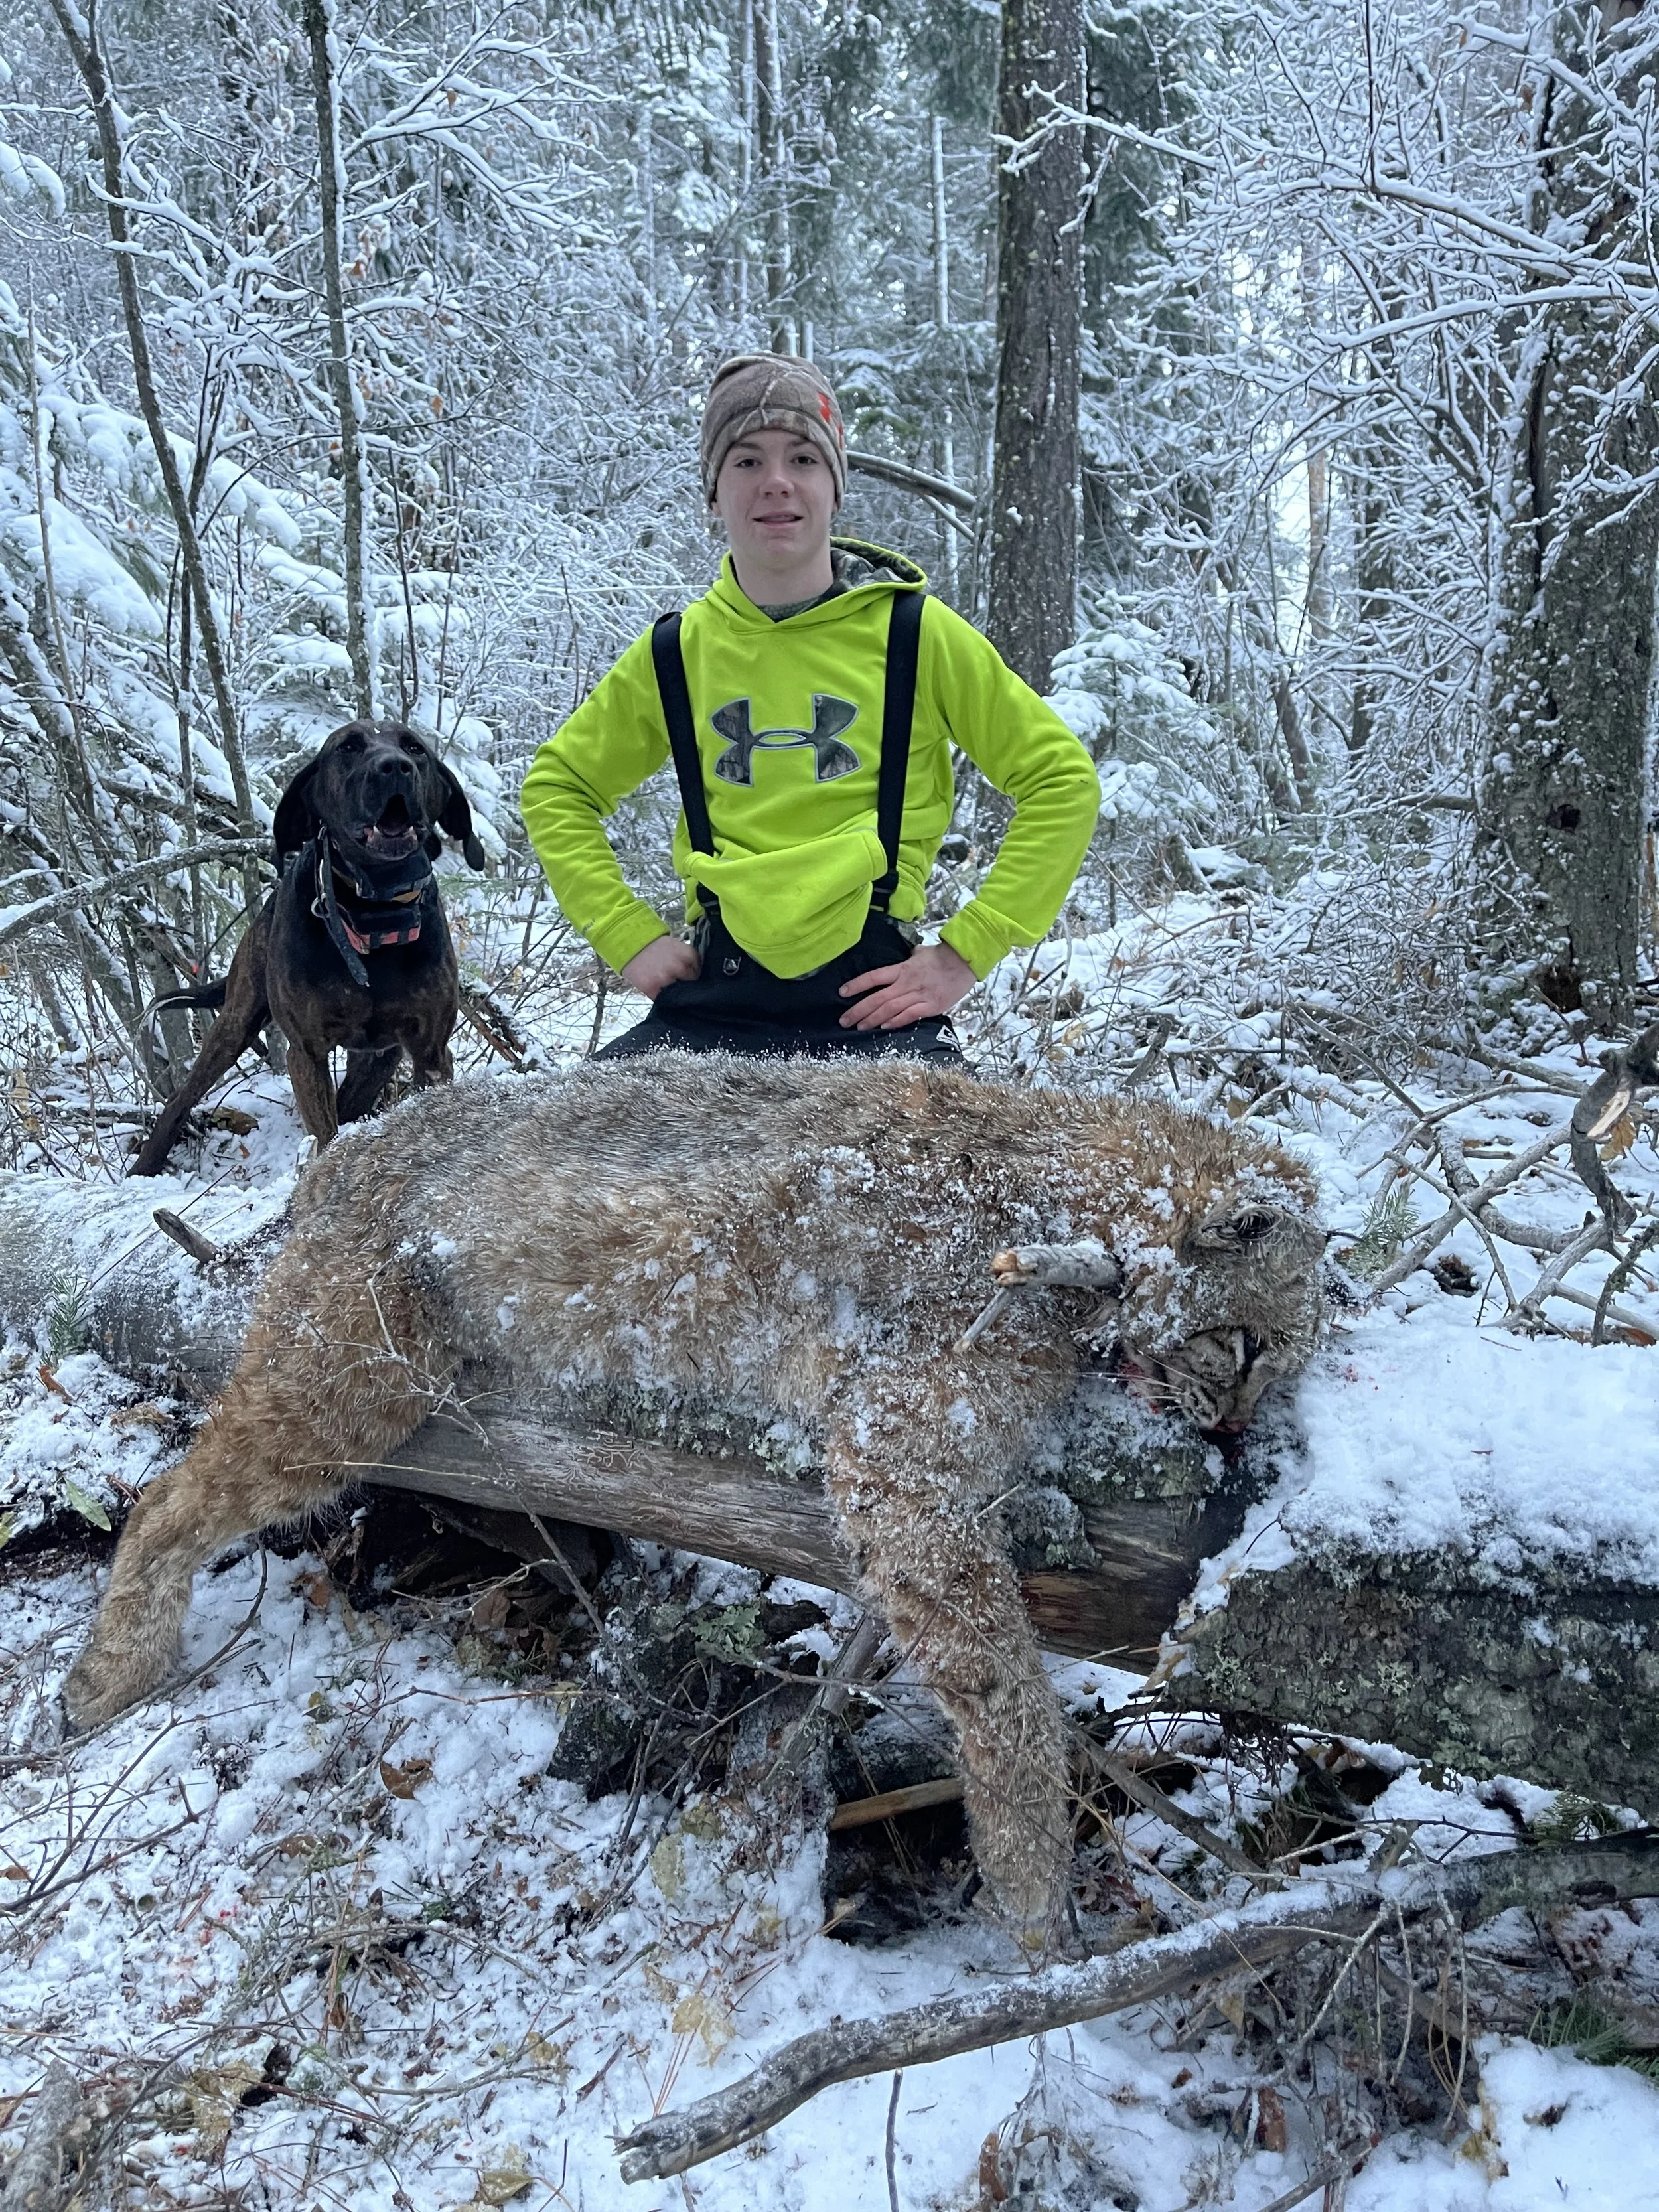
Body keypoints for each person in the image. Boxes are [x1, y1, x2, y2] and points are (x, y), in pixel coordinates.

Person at [520, 352, 1100, 1061]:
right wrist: (626, 933)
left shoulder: (915, 636)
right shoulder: (675, 653)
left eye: (802, 457)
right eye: (745, 461)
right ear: (712, 492)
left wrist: (964, 954)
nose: (776, 483)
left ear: (835, 484)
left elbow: (1062, 780)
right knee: (569, 1164)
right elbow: (558, 788)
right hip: (711, 1004)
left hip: (877, 1007)